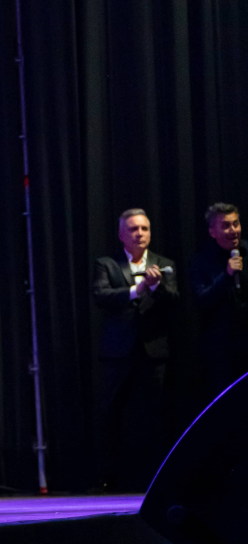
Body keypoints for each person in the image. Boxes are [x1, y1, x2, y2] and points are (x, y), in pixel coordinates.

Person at [91, 208, 177, 491]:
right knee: (111, 414)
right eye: (133, 229)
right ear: (121, 235)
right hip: (118, 351)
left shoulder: (164, 264)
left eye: (144, 229)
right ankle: (107, 477)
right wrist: (135, 291)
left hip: (154, 350)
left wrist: (156, 287)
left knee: (157, 414)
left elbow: (174, 299)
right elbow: (101, 296)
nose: (140, 234)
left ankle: (160, 478)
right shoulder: (108, 264)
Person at [190, 203, 248, 400]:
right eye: (226, 226)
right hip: (222, 349)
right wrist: (227, 275)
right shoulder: (201, 261)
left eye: (236, 224)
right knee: (228, 404)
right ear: (212, 232)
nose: (233, 230)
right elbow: (201, 301)